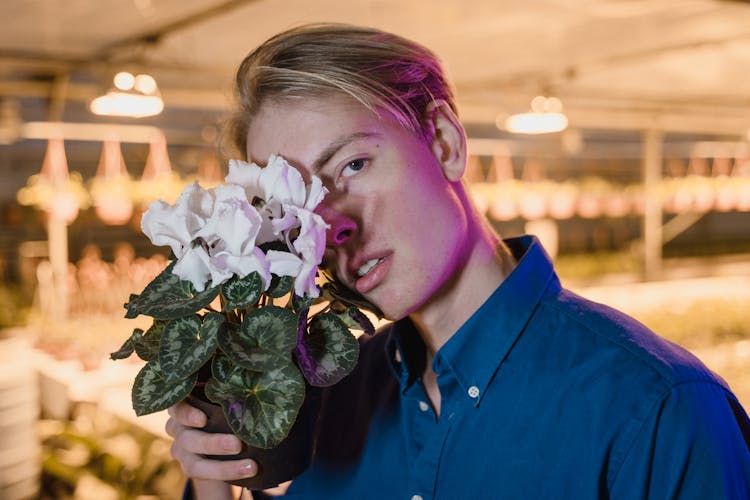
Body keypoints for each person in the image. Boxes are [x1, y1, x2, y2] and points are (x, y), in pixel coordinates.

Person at [165, 23, 750, 499]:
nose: (330, 222)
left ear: (444, 141)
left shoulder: (658, 409)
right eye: (295, 201)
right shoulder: (322, 397)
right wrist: (214, 484)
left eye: (352, 166)